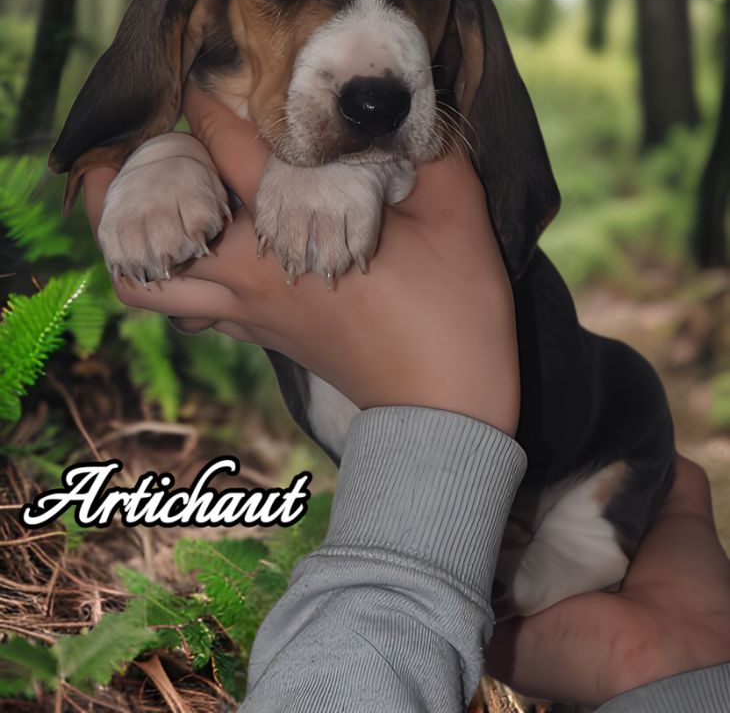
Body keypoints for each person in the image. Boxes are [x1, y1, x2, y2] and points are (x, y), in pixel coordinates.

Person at [82, 83, 730, 712]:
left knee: (628, 394)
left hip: (587, 453)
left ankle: (569, 548)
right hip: (591, 617)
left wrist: (413, 564)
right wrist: (171, 159)